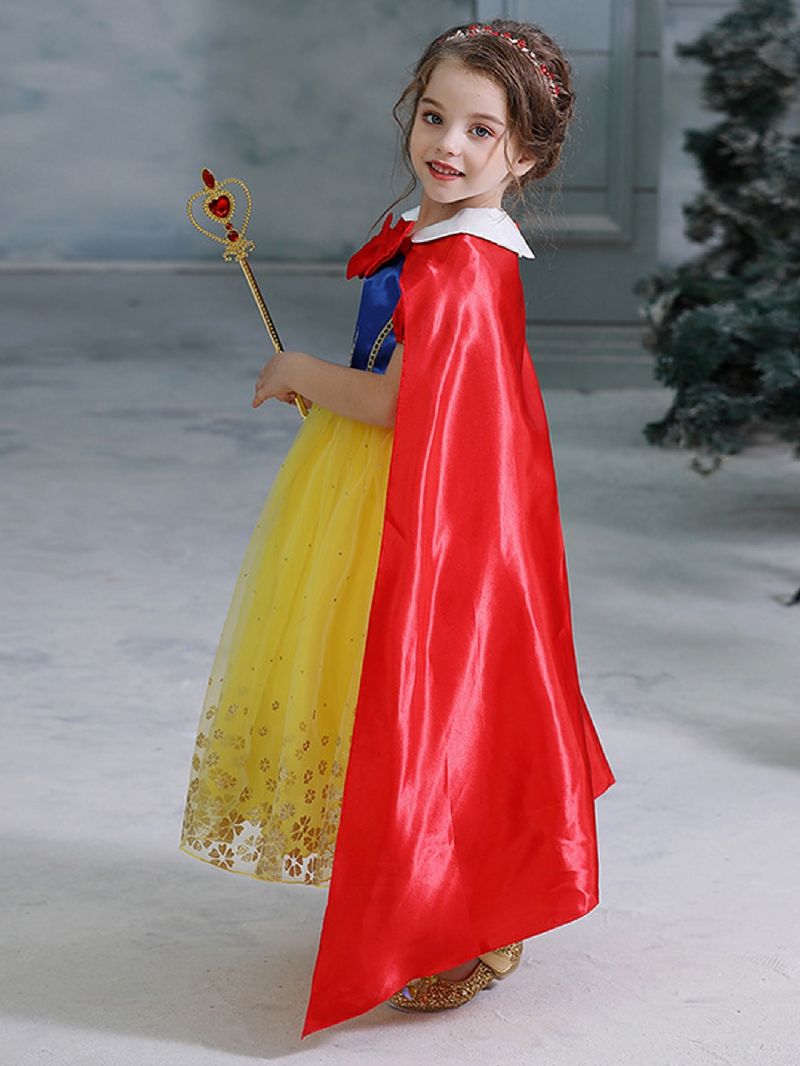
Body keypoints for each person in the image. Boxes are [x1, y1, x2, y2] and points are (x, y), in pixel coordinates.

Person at [179, 17, 616, 1039]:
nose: (446, 145)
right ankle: (430, 884)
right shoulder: (431, 234)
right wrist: (343, 390)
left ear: (526, 156)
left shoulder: (462, 265)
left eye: (480, 131)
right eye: (432, 116)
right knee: (389, 683)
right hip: (406, 479)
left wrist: (300, 373)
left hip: (438, 503)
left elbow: (397, 402)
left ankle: (463, 912)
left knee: (437, 691)